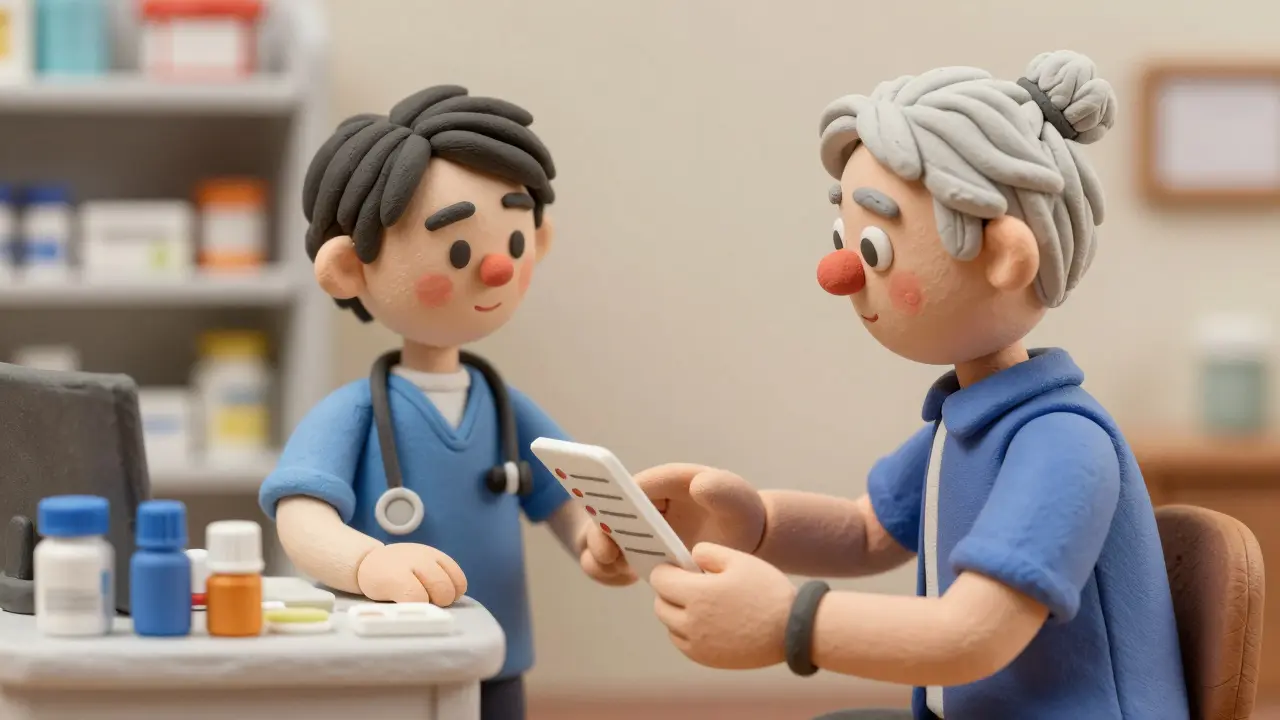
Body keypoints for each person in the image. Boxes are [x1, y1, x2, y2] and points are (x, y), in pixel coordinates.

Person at [590, 52, 1191, 720]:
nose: (839, 272)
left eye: (874, 248)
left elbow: (977, 632)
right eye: (845, 238)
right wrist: (748, 522)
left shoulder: (1062, 445)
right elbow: (866, 531)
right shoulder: (967, 423)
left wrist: (791, 623)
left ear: (1005, 258)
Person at [258, 85, 632, 720]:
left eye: (514, 245)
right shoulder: (354, 414)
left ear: (536, 242)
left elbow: (566, 499)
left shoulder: (504, 408)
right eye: (458, 251)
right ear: (350, 269)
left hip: (496, 655)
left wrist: (597, 541)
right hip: (391, 654)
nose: (494, 271)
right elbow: (300, 519)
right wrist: (367, 562)